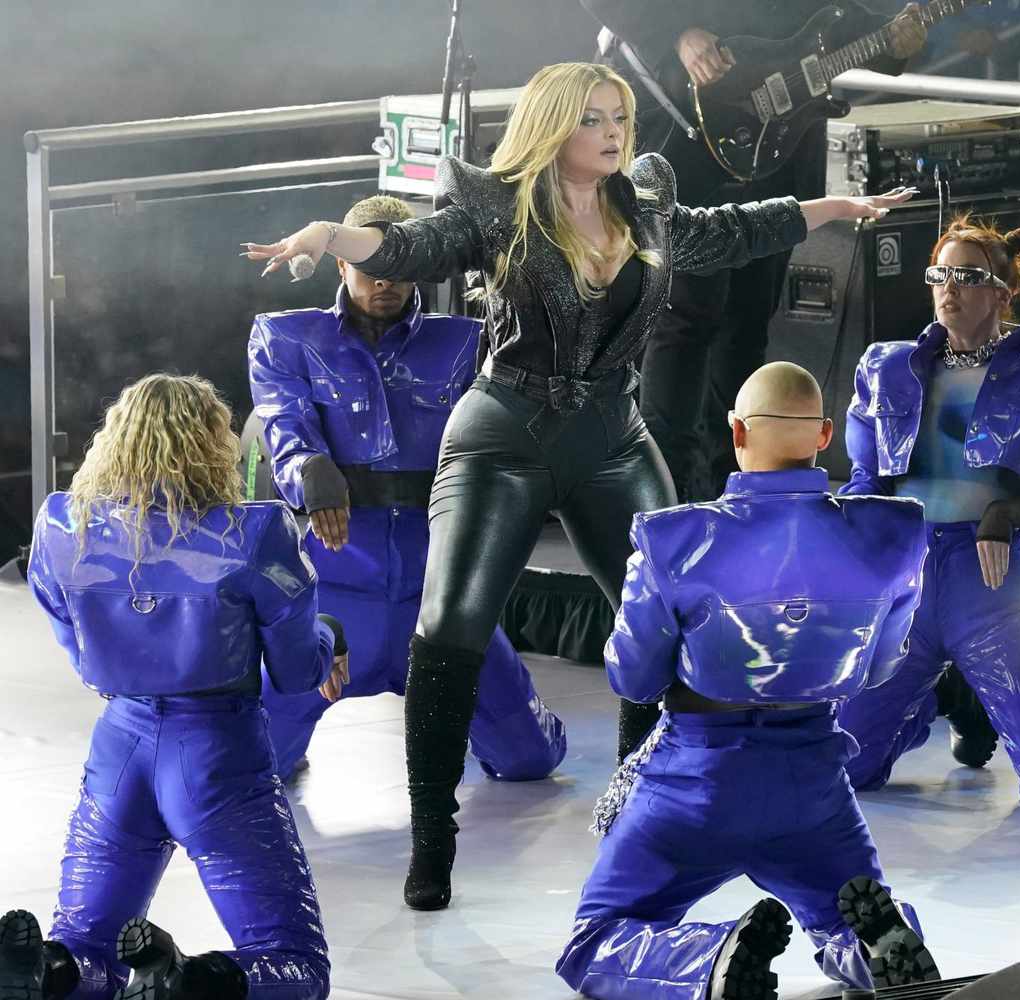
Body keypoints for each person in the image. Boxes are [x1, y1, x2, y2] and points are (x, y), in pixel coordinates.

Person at [242, 61, 913, 912]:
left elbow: (735, 230)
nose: (613, 131)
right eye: (594, 117)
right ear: (555, 123)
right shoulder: (498, 207)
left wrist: (834, 210)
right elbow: (411, 247)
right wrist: (326, 236)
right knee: (449, 627)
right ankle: (432, 842)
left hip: (611, 435)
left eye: (620, 117)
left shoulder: (649, 202)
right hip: (503, 432)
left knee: (670, 608)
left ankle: (636, 805)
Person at [556, 362, 937, 1000]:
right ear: (823, 435)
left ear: (736, 432)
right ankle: (872, 947)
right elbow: (876, 668)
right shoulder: (894, 535)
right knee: (839, 912)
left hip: (696, 779)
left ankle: (707, 962)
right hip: (815, 781)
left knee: (595, 939)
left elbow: (633, 677)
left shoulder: (673, 538)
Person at [3, 375, 335, 999]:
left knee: (81, 945)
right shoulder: (256, 532)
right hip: (218, 752)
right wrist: (327, 635)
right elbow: (296, 674)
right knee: (292, 961)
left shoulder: (58, 525)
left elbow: (79, 651)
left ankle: (47, 972)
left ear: (115, 438)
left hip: (119, 749)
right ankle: (187, 981)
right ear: (212, 443)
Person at [248, 194, 566, 785]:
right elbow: (282, 419)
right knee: (249, 764)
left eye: (400, 268)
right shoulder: (287, 338)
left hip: (441, 590)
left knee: (531, 758)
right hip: (334, 596)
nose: (386, 282)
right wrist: (307, 467)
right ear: (341, 262)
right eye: (371, 268)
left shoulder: (471, 341)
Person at [582, 0, 928, 504]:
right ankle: (665, 499)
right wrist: (678, 32)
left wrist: (890, 43)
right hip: (686, 127)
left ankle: (736, 490)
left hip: (781, 143)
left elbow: (830, 21)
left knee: (749, 320)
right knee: (684, 320)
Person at [835, 216, 1020, 798]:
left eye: (966, 276)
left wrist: (1005, 514)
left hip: (992, 581)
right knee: (843, 770)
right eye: (939, 274)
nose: (948, 289)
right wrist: (849, 545)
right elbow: (865, 479)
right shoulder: (887, 370)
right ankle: (942, 693)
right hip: (905, 581)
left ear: (1002, 293)